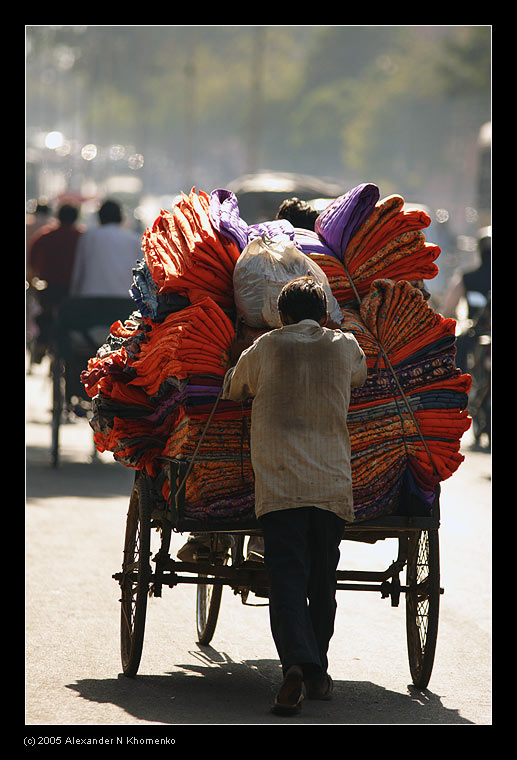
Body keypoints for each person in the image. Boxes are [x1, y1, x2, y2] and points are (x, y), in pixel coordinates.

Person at [222, 276, 367, 715]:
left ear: (280, 318)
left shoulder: (266, 347)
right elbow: (360, 376)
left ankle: (296, 668)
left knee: (286, 575)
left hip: (281, 484)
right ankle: (316, 668)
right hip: (330, 485)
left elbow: (232, 387)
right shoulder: (343, 346)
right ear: (324, 315)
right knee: (322, 577)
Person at [28, 203, 83, 360]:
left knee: (44, 315)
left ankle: (41, 344)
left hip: (49, 289)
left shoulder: (44, 236)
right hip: (73, 291)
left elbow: (31, 265)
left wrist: (32, 285)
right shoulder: (81, 237)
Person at [69, 199, 141, 297]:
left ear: (100, 217)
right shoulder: (133, 239)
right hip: (124, 297)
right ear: (120, 217)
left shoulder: (88, 236)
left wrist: (74, 294)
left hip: (92, 297)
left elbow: (79, 271)